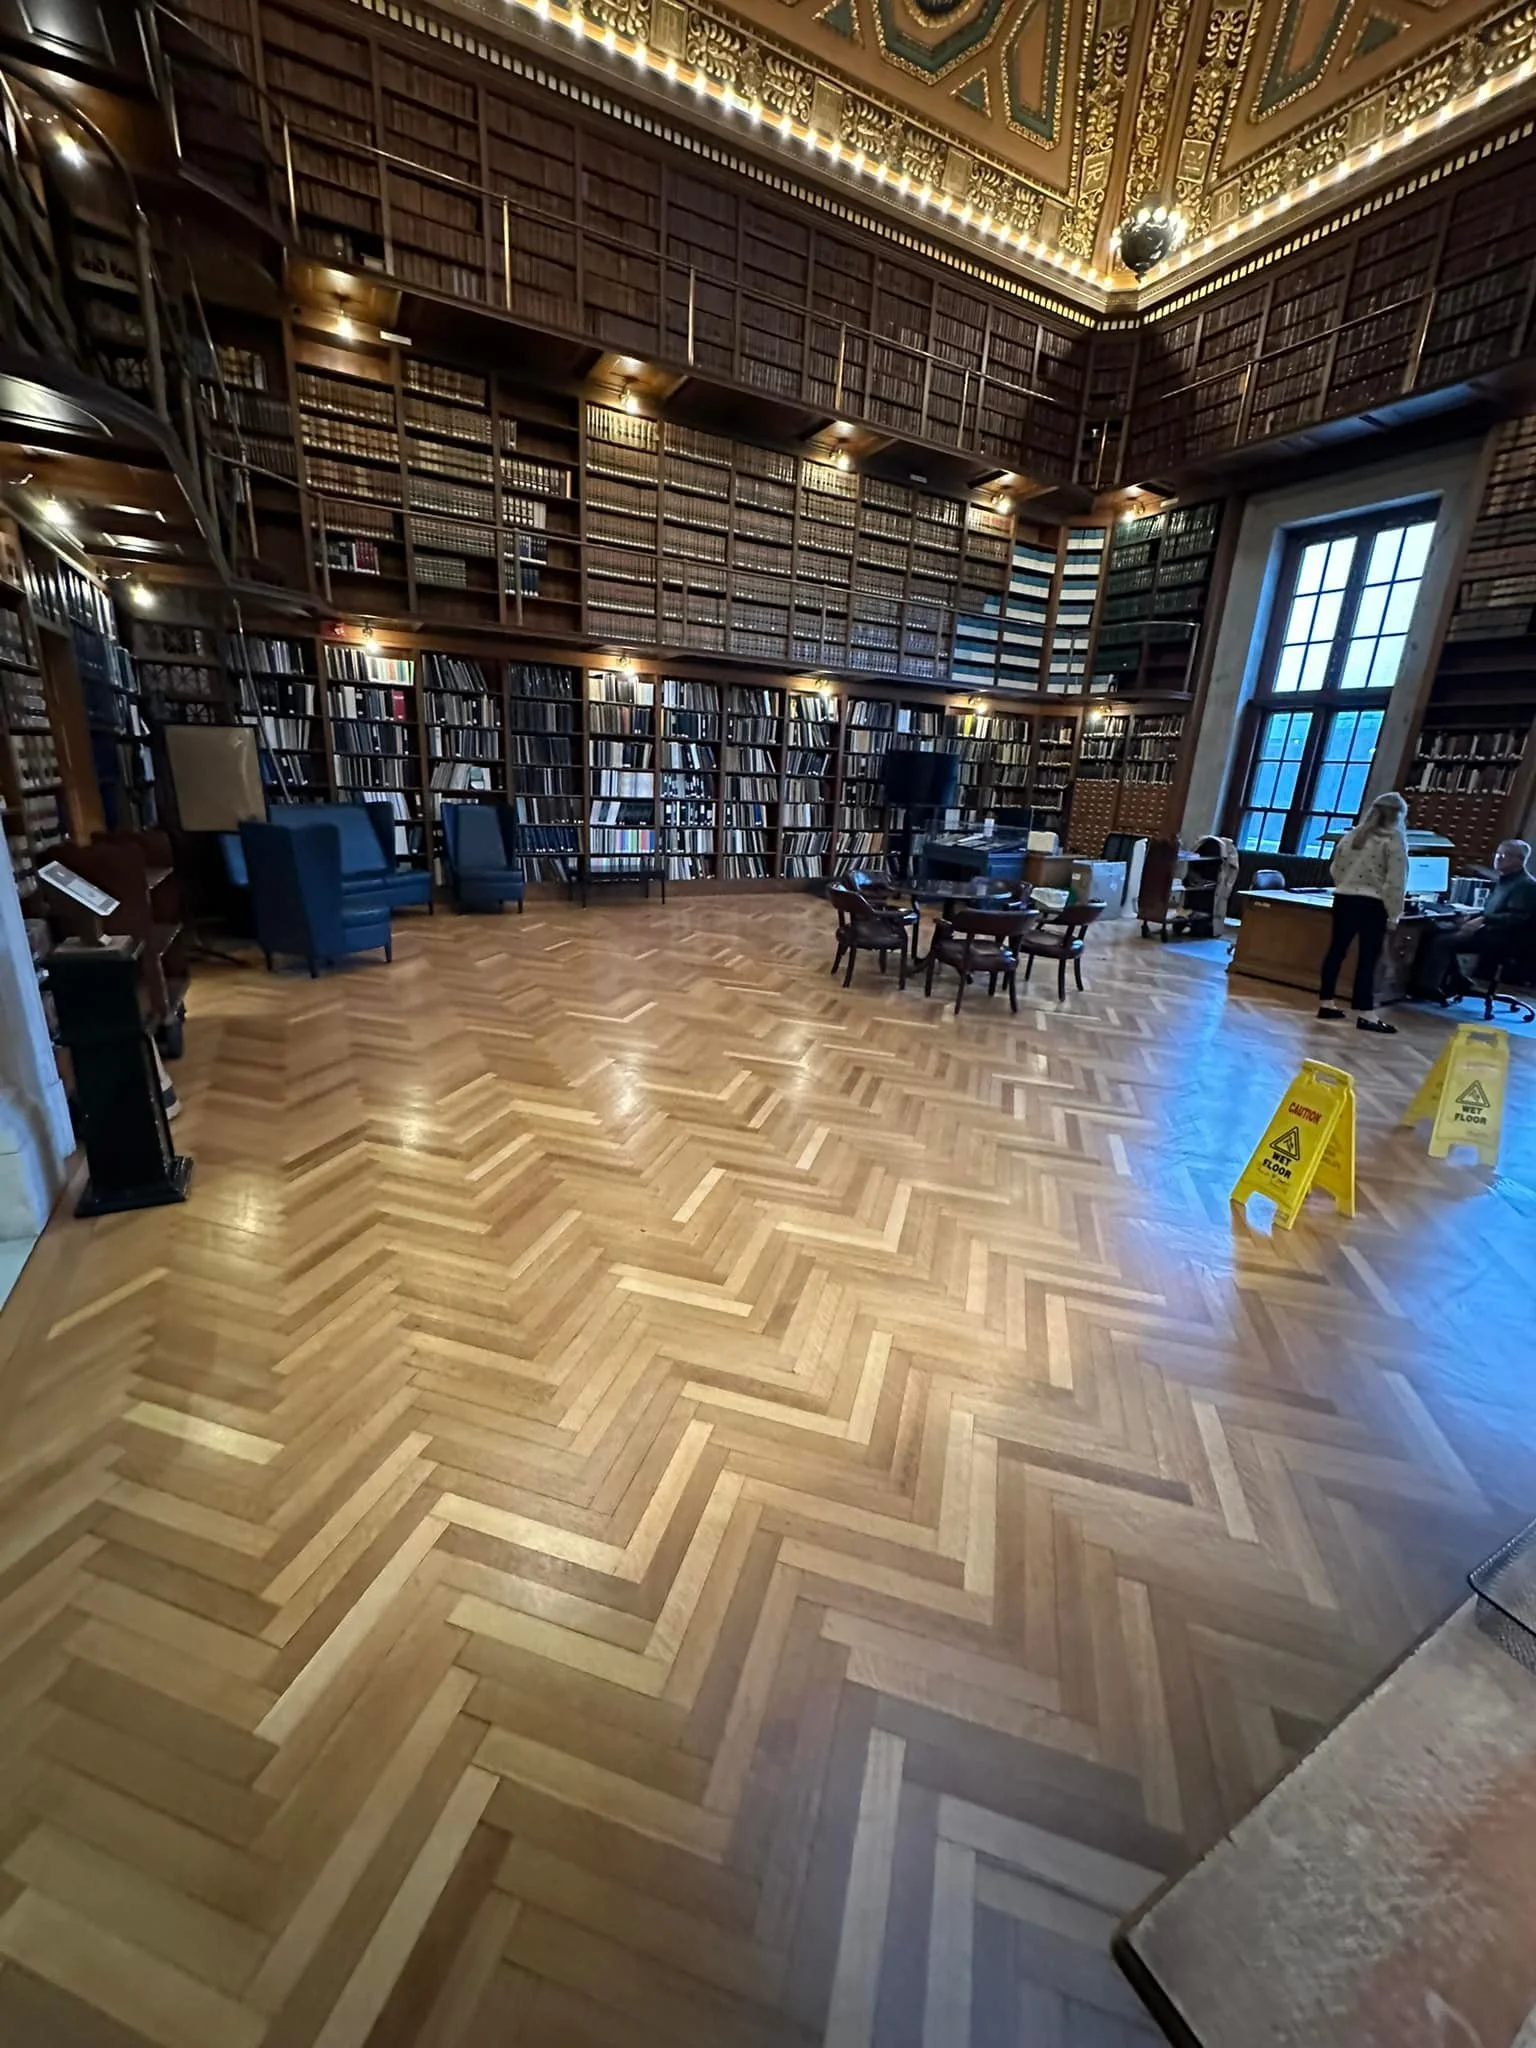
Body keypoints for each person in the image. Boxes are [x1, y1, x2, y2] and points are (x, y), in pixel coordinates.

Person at [1317, 792, 1409, 1034]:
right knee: (1368, 959)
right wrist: (1394, 914)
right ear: (1398, 815)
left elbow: (1335, 868)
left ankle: (1326, 1002)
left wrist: (1346, 885)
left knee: (1337, 950)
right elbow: (1395, 881)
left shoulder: (1351, 835)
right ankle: (1366, 1012)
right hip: (1373, 904)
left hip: (1344, 898)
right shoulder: (1393, 839)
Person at [1413, 839, 1536, 1002]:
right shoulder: (1504, 880)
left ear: (1520, 860)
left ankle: (1428, 988)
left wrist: (1483, 920)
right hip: (1489, 928)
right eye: (1497, 853)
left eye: (1505, 855)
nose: (1498, 858)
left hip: (1503, 938)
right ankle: (1457, 980)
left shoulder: (1526, 885)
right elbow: (1493, 910)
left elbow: (1517, 917)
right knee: (1432, 931)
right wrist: (1469, 918)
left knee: (1442, 941)